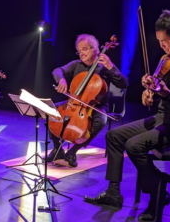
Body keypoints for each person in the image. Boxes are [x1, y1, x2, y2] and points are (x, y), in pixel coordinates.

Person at [86, 9, 170, 221]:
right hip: (165, 117)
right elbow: (157, 84)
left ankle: (158, 194)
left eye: (166, 42)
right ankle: (114, 193)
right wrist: (148, 90)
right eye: (160, 42)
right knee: (114, 136)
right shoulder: (168, 57)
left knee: (135, 145)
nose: (163, 47)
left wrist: (165, 92)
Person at [46, 34, 128, 168]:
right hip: (74, 103)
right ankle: (57, 149)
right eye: (79, 51)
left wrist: (111, 67)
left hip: (97, 105)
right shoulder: (76, 64)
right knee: (51, 110)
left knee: (100, 121)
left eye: (84, 49)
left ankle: (73, 151)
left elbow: (124, 83)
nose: (81, 54)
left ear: (95, 49)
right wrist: (61, 79)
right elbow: (57, 70)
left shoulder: (105, 67)